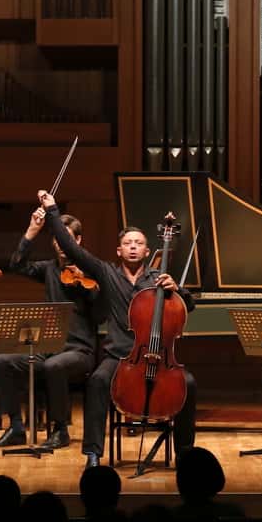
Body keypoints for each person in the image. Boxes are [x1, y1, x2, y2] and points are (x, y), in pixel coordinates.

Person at [37, 189, 198, 469]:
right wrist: (53, 212)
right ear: (119, 250)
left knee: (190, 384)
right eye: (127, 243)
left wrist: (179, 290)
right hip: (117, 357)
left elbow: (190, 305)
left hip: (158, 357)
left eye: (138, 243)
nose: (133, 246)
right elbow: (72, 248)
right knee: (97, 381)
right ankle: (93, 454)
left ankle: (185, 453)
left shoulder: (158, 280)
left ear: (148, 252)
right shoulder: (106, 273)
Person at [0, 207, 99, 449]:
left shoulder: (93, 270)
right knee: (2, 360)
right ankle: (16, 427)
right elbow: (16, 264)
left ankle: (60, 430)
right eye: (57, 238)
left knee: (53, 366)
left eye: (67, 238)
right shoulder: (49, 269)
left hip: (79, 351)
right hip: (48, 347)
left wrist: (87, 284)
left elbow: (101, 310)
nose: (61, 244)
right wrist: (31, 231)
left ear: (78, 240)